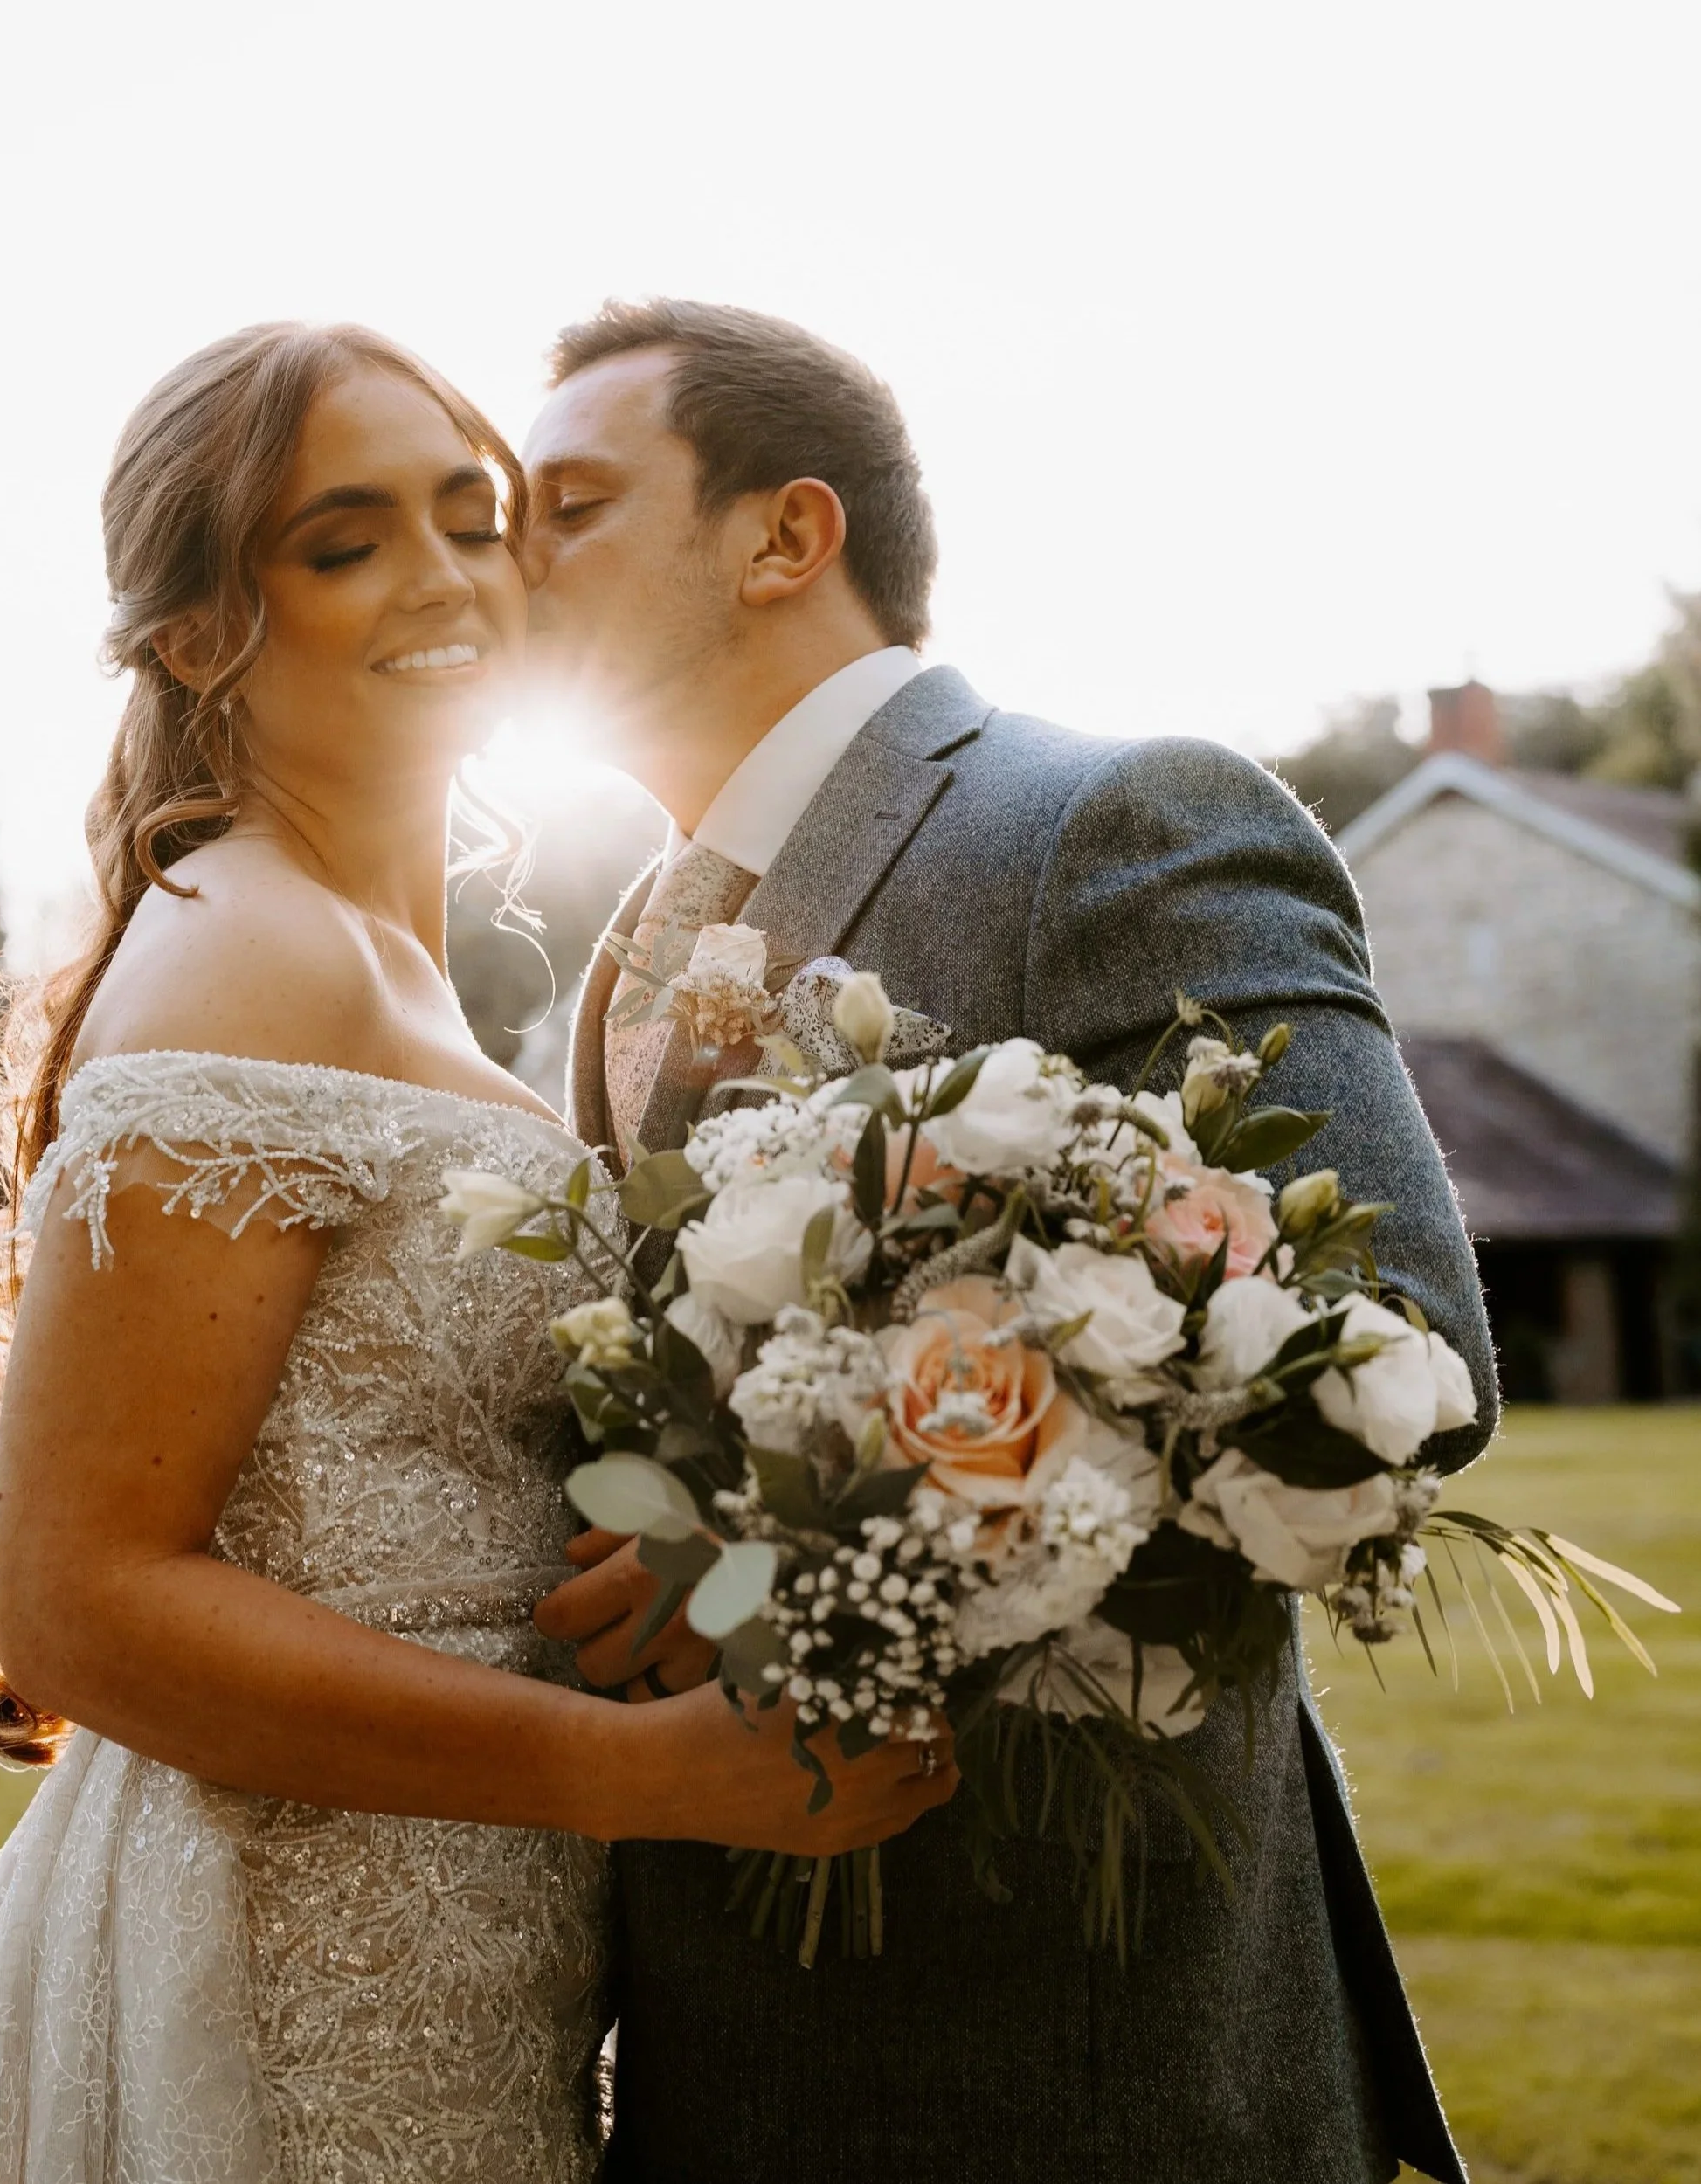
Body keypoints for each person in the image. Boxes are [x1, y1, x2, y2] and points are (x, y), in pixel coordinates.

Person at [0, 322, 956, 2184]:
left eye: (475, 516)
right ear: (198, 627)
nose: (450, 574)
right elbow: (79, 1598)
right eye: (345, 539)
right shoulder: (251, 943)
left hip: (462, 1929)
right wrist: (646, 1771)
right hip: (288, 1958)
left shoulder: (422, 971)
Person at [527, 298, 1498, 2184]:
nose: (504, 554)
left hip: (1067, 2029)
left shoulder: (1112, 821)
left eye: (567, 501)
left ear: (782, 535)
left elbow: (1395, 1344)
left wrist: (764, 1557)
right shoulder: (623, 949)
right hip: (720, 2025)